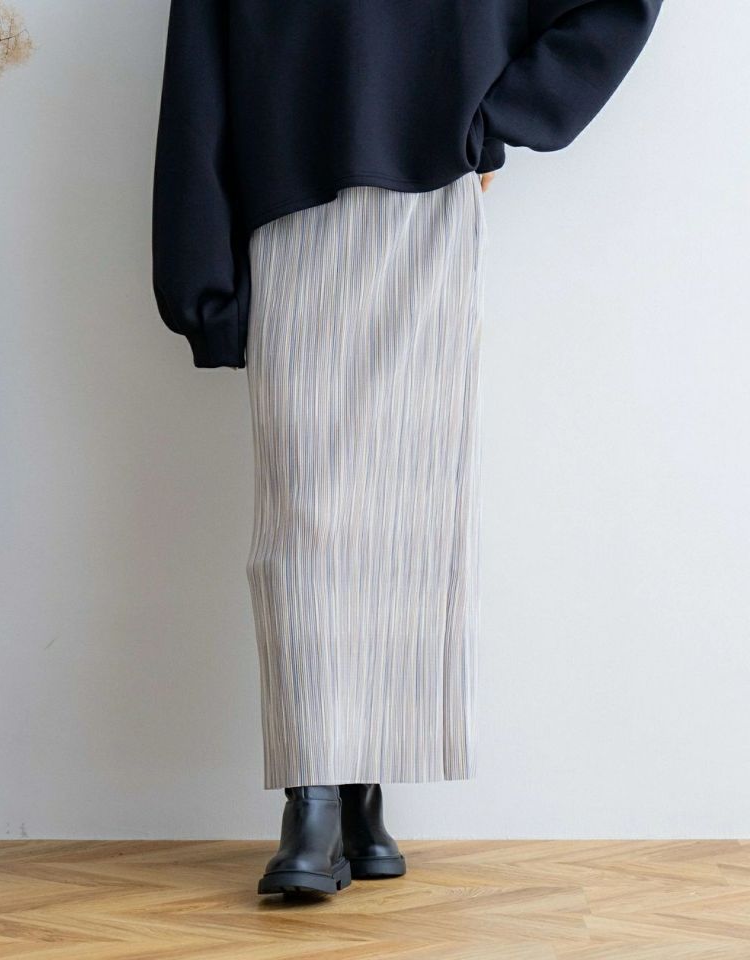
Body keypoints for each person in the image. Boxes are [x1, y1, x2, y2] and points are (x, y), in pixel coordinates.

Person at [152, 0, 664, 898]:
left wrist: (493, 119)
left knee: (409, 505)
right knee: (304, 511)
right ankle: (315, 791)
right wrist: (201, 276)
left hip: (431, 186)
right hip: (288, 189)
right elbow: (199, 58)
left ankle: (358, 788)